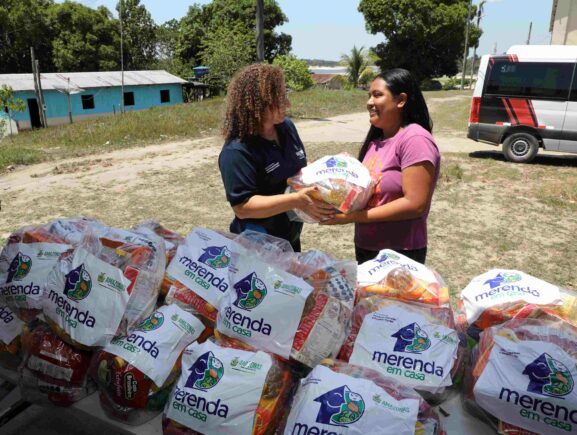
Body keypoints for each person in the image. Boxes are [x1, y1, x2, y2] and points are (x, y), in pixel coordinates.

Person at [322, 68, 440, 265]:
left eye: (377, 95)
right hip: (367, 247)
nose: (369, 102)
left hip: (400, 253)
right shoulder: (377, 140)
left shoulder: (415, 139)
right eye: (369, 95)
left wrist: (352, 217)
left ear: (401, 100)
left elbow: (415, 204)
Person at [218, 63, 334, 252]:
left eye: (285, 96)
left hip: (289, 237)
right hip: (257, 245)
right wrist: (297, 200)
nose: (287, 104)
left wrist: (320, 172)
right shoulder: (237, 150)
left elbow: (296, 167)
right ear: (256, 104)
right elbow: (243, 207)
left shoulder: (286, 127)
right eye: (278, 100)